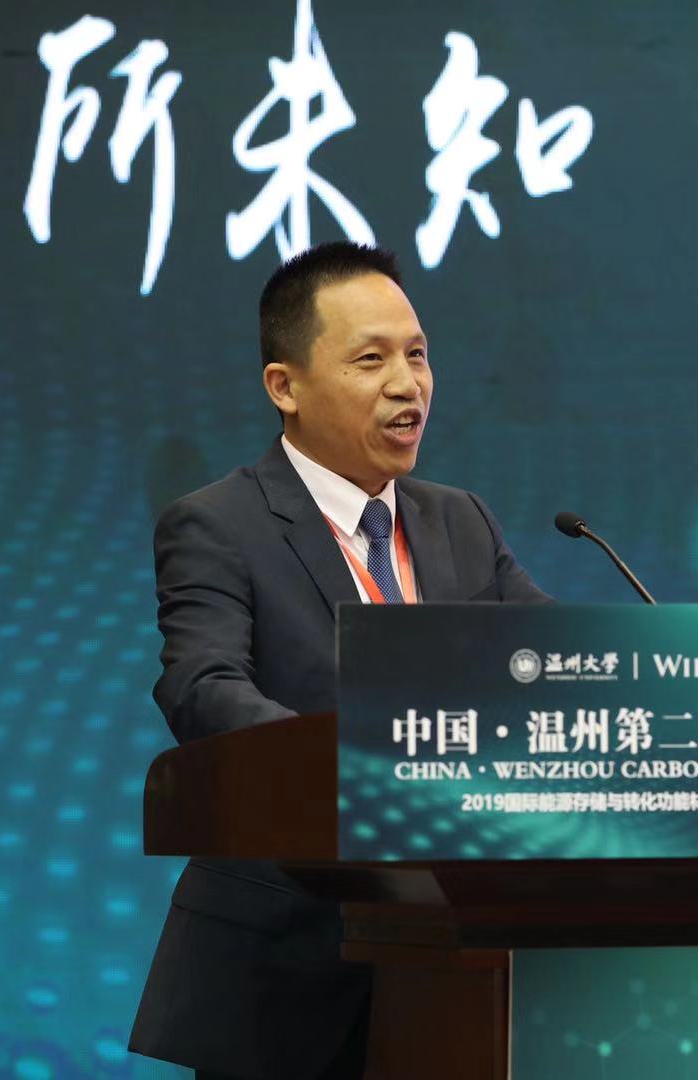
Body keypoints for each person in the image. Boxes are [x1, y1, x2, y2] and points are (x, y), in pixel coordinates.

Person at [128, 242, 549, 1079]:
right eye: (371, 360)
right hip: (289, 969)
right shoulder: (217, 524)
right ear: (284, 386)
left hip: (457, 964)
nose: (407, 384)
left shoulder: (462, 521)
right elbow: (202, 686)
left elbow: (558, 665)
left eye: (417, 355)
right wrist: (354, 773)